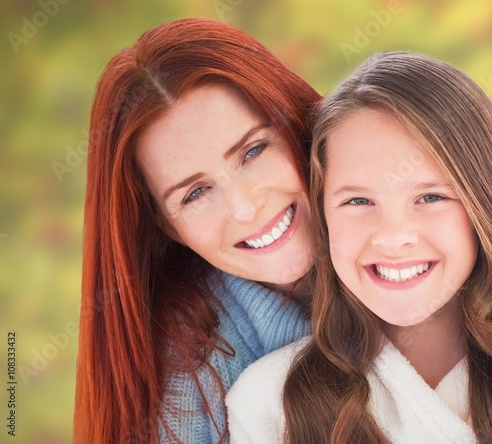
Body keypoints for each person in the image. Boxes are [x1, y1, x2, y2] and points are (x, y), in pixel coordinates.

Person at [227, 51, 492, 443]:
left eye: (430, 198)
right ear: (322, 215)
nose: (392, 236)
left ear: (486, 204)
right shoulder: (268, 404)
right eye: (357, 201)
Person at [75, 18, 321, 443]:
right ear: (166, 227)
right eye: (195, 193)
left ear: (297, 124)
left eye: (254, 150)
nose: (245, 208)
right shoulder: (188, 386)